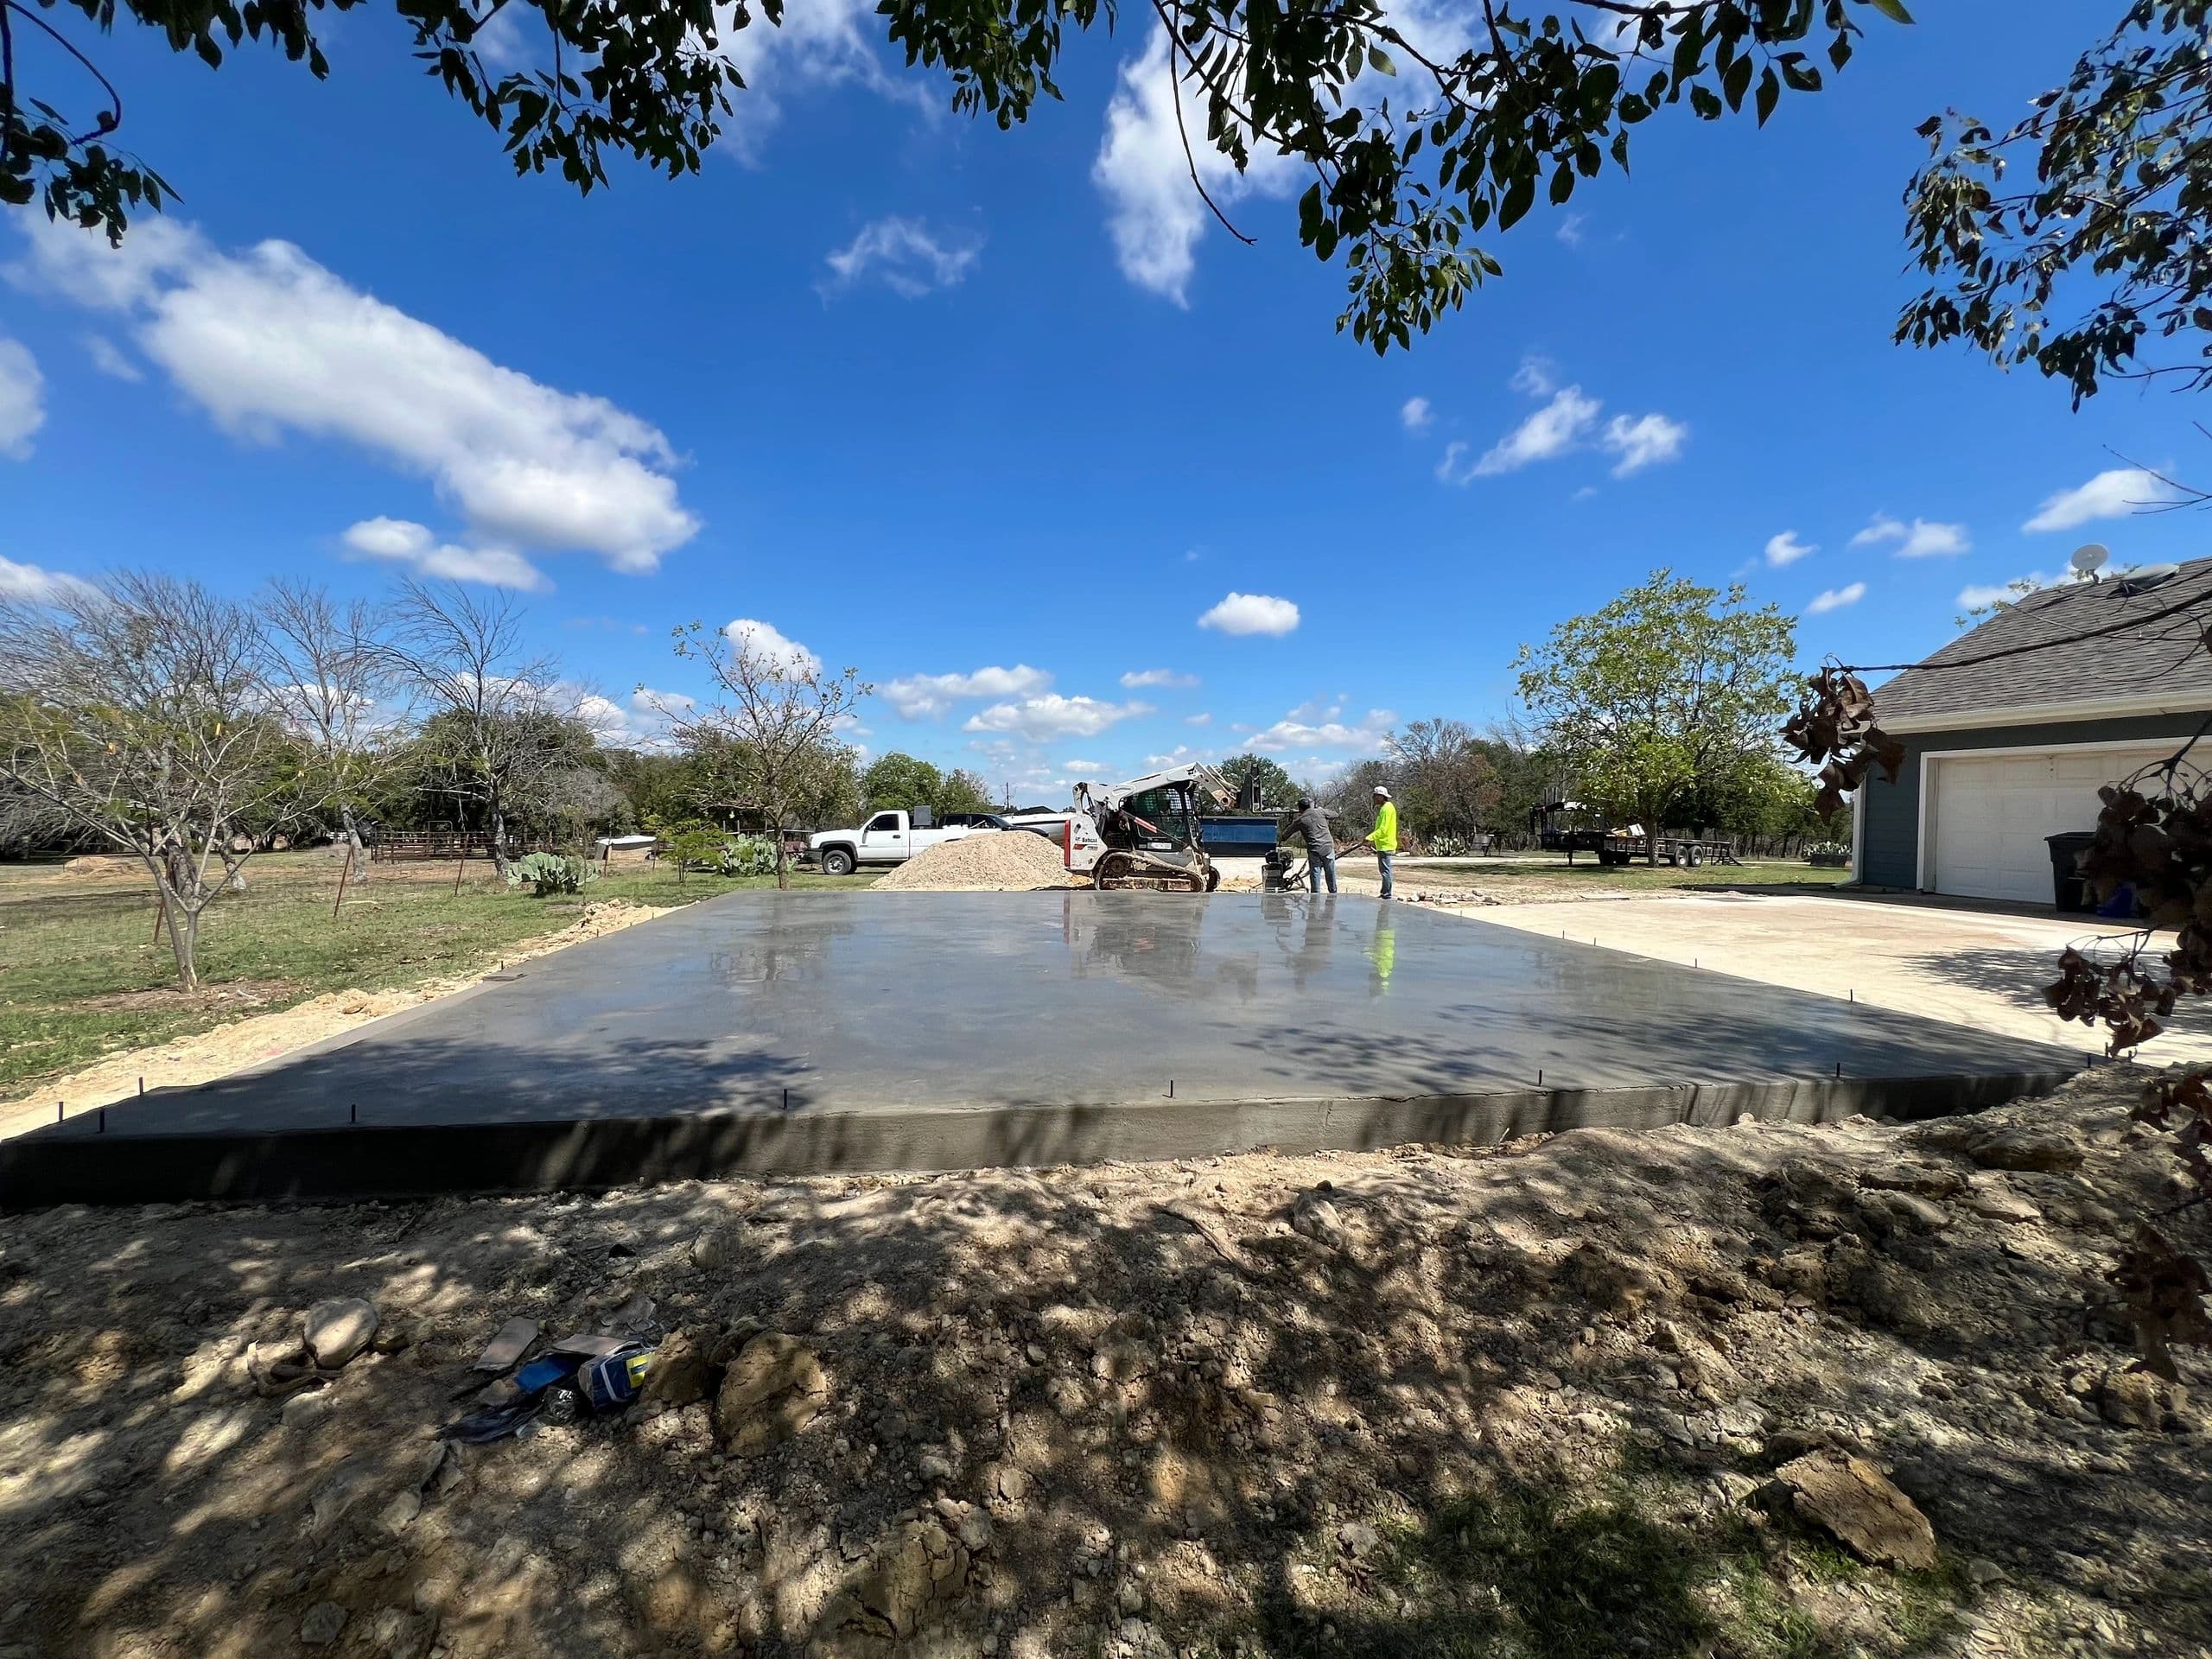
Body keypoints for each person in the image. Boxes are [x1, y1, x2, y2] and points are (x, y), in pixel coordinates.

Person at [1287, 796, 1337, 893]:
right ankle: (1333, 892)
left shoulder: (1300, 820)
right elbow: (1335, 814)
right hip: (1328, 847)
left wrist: (1281, 839)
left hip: (1315, 850)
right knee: (1330, 872)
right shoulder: (1320, 812)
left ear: (1300, 808)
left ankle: (1315, 895)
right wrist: (1322, 810)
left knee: (1315, 873)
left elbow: (1288, 832)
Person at [1365, 785, 1398, 899]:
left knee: (1385, 871)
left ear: (1381, 797)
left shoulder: (1387, 809)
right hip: (1382, 844)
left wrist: (1369, 837)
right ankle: (1384, 892)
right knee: (1384, 871)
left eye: (1375, 796)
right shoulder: (1385, 808)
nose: (1373, 798)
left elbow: (1383, 829)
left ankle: (1387, 894)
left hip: (1385, 844)